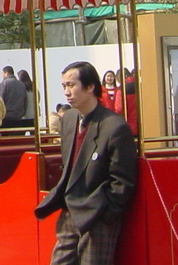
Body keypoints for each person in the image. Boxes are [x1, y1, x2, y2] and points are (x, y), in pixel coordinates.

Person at [35, 61, 137, 265]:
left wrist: (106, 213)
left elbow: (123, 181)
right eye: (64, 86)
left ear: (90, 87)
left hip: (97, 213)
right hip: (70, 209)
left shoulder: (115, 127)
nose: (66, 91)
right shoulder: (69, 118)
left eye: (72, 85)